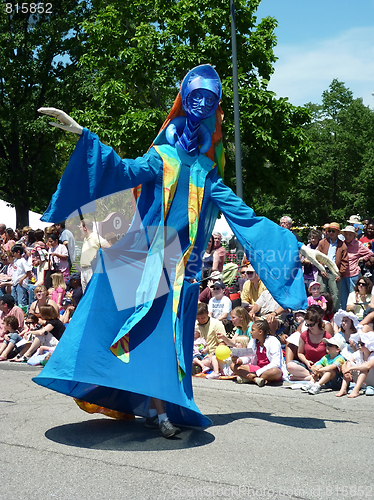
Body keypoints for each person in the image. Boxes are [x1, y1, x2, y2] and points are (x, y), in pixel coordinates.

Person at [36, 64, 322, 432]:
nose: (203, 103)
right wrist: (82, 134)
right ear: (184, 101)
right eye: (196, 96)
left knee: (167, 340)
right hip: (142, 257)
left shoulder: (208, 172)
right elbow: (122, 170)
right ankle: (151, 407)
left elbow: (246, 217)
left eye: (211, 98)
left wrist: (298, 247)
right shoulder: (162, 156)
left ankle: (161, 409)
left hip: (182, 268)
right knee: (118, 326)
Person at [231, 318, 287, 386]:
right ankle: (255, 379)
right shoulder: (253, 341)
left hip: (268, 370)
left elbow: (276, 363)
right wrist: (238, 360)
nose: (250, 332)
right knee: (233, 366)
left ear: (260, 332)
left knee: (276, 372)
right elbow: (248, 358)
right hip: (257, 368)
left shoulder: (273, 341)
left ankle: (248, 378)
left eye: (253, 330)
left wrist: (257, 373)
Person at [287, 309, 332, 380]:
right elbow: (300, 353)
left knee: (325, 370)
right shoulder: (304, 335)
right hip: (307, 366)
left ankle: (305, 378)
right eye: (307, 325)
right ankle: (314, 376)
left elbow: (331, 354)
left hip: (321, 365)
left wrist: (319, 364)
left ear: (317, 322)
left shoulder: (327, 336)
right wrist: (306, 361)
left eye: (311, 325)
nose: (310, 327)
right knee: (290, 365)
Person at [340, 225, 374, 309]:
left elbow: (370, 253)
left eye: (350, 234)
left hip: (353, 273)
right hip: (342, 273)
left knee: (354, 296)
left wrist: (361, 259)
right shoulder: (341, 244)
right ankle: (345, 316)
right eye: (346, 234)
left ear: (354, 235)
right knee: (343, 297)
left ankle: (355, 316)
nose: (347, 236)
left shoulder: (358, 244)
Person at [317, 222, 348, 312]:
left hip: (334, 271)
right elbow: (317, 257)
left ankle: (333, 313)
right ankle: (320, 312)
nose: (330, 233)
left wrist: (340, 273)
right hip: (323, 270)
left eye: (333, 231)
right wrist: (321, 269)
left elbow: (344, 261)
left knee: (335, 294)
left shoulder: (342, 245)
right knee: (321, 292)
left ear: (338, 232)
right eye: (329, 231)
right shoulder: (322, 242)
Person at [336, 332, 374, 398]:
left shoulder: (373, 355)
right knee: (349, 363)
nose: (359, 345)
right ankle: (343, 389)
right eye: (358, 343)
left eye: (362, 344)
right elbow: (348, 361)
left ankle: (355, 390)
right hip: (361, 381)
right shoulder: (359, 353)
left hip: (372, 382)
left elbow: (368, 366)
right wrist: (345, 370)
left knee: (364, 366)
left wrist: (350, 369)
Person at [79, 219, 110, 292]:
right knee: (85, 294)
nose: (80, 229)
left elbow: (108, 246)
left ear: (85, 228)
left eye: (80, 227)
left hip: (91, 269)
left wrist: (99, 257)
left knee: (92, 292)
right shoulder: (85, 239)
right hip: (84, 270)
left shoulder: (95, 237)